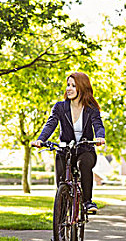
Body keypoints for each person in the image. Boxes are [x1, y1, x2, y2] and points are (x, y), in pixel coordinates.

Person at [31, 72, 106, 212]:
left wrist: (100, 137)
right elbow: (50, 124)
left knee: (84, 164)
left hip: (85, 150)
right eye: (68, 85)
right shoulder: (60, 107)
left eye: (73, 85)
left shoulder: (91, 109)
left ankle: (87, 202)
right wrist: (41, 139)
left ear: (82, 88)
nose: (69, 89)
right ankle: (62, 212)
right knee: (61, 180)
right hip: (65, 149)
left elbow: (98, 124)